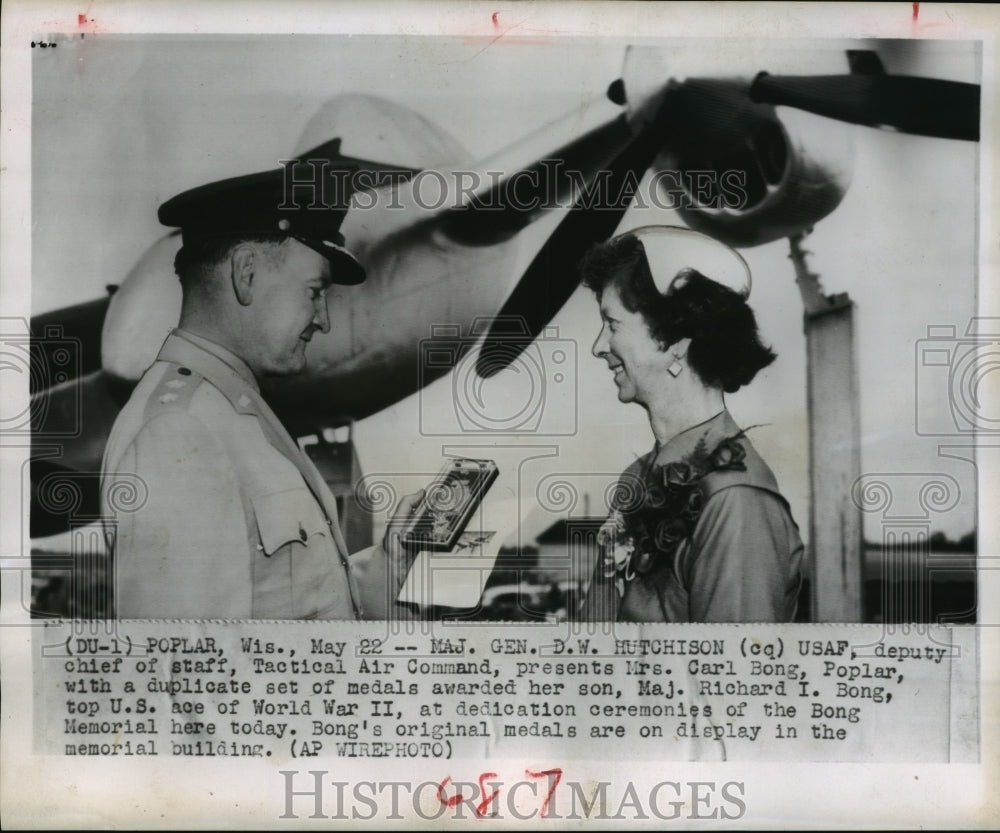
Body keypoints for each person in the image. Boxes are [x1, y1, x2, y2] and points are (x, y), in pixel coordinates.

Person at [101, 147, 421, 619]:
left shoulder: (232, 413)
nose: (323, 320)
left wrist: (394, 562)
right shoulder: (179, 433)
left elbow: (290, 603)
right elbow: (196, 680)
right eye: (315, 292)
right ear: (246, 275)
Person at [578, 225, 802, 623]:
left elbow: (732, 679)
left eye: (612, 325)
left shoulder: (734, 500)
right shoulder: (638, 478)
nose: (598, 347)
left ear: (675, 341)